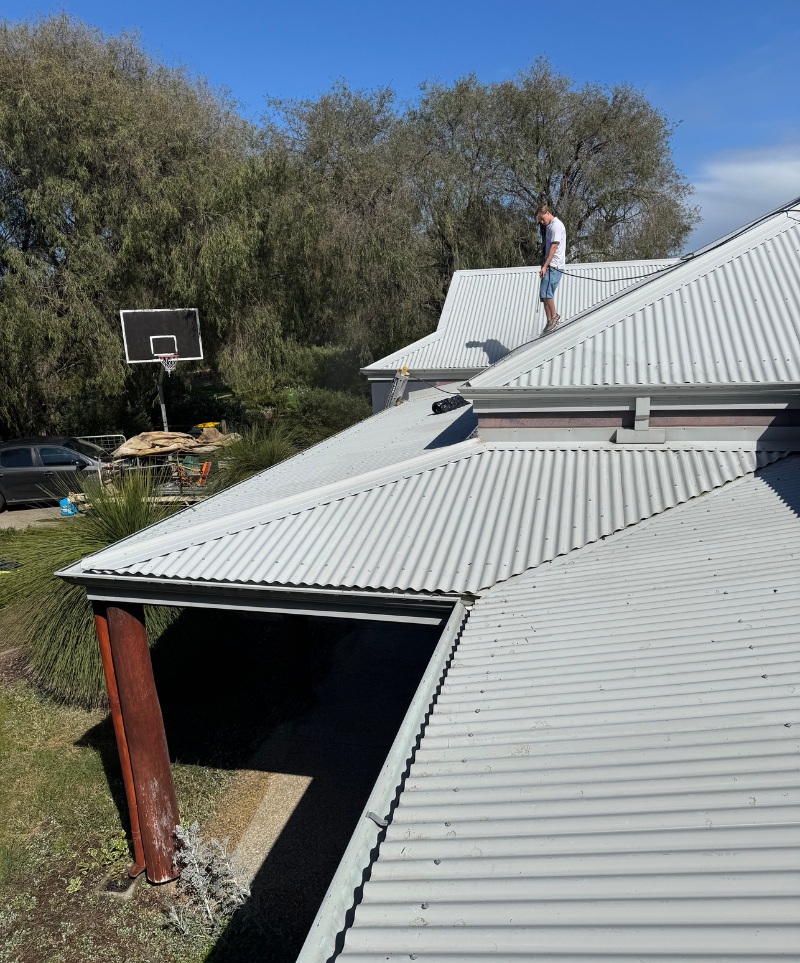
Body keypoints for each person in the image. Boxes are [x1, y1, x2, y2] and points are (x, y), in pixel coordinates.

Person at [536, 205, 567, 334]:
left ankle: (554, 317)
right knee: (543, 295)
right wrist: (541, 246)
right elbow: (548, 242)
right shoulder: (549, 226)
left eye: (542, 219)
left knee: (548, 293)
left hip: (555, 266)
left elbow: (554, 248)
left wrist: (544, 266)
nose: (542, 223)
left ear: (547, 213)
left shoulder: (556, 226)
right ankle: (549, 321)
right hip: (548, 265)